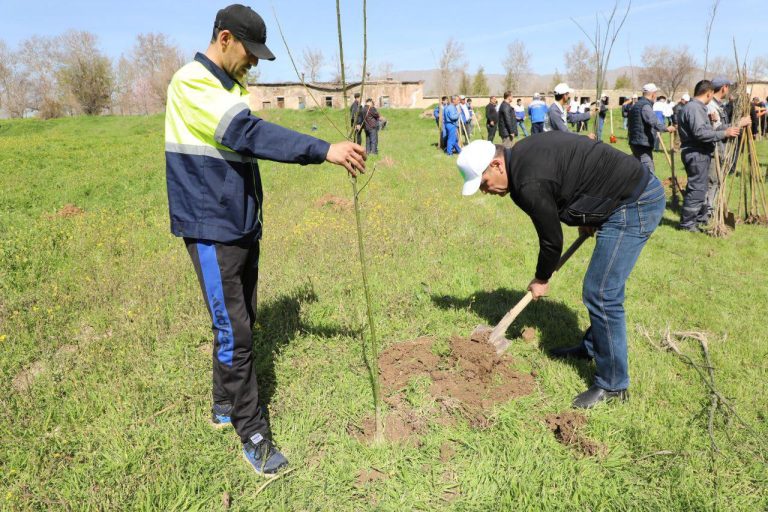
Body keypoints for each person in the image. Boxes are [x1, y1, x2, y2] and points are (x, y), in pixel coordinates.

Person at [164, 4, 366, 477]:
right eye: (250, 54)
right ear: (226, 38)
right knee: (235, 331)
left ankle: (222, 405)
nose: (253, 64)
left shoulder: (227, 86)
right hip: (211, 228)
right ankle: (252, 434)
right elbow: (246, 133)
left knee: (240, 321)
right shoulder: (192, 82)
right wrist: (323, 150)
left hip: (239, 224)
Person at [455, 133, 665, 408]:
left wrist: (541, 278)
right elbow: (574, 172)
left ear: (496, 165)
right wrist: (591, 213)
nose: (485, 190)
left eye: (483, 183)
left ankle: (613, 385)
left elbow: (551, 240)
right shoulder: (522, 154)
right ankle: (593, 348)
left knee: (602, 292)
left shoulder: (528, 182)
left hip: (635, 202)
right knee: (602, 289)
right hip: (621, 196)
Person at [677, 80, 749, 232]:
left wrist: (711, 122)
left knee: (699, 188)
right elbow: (700, 133)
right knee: (697, 189)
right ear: (708, 93)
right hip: (697, 153)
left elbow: (700, 129)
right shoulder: (695, 108)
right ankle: (687, 225)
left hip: (697, 152)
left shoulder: (694, 107)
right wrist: (725, 133)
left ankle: (693, 221)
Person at [627, 83, 675, 176]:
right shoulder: (645, 106)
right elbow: (654, 122)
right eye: (655, 94)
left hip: (636, 142)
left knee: (639, 170)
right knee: (649, 173)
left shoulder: (636, 105)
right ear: (653, 94)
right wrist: (666, 128)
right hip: (642, 144)